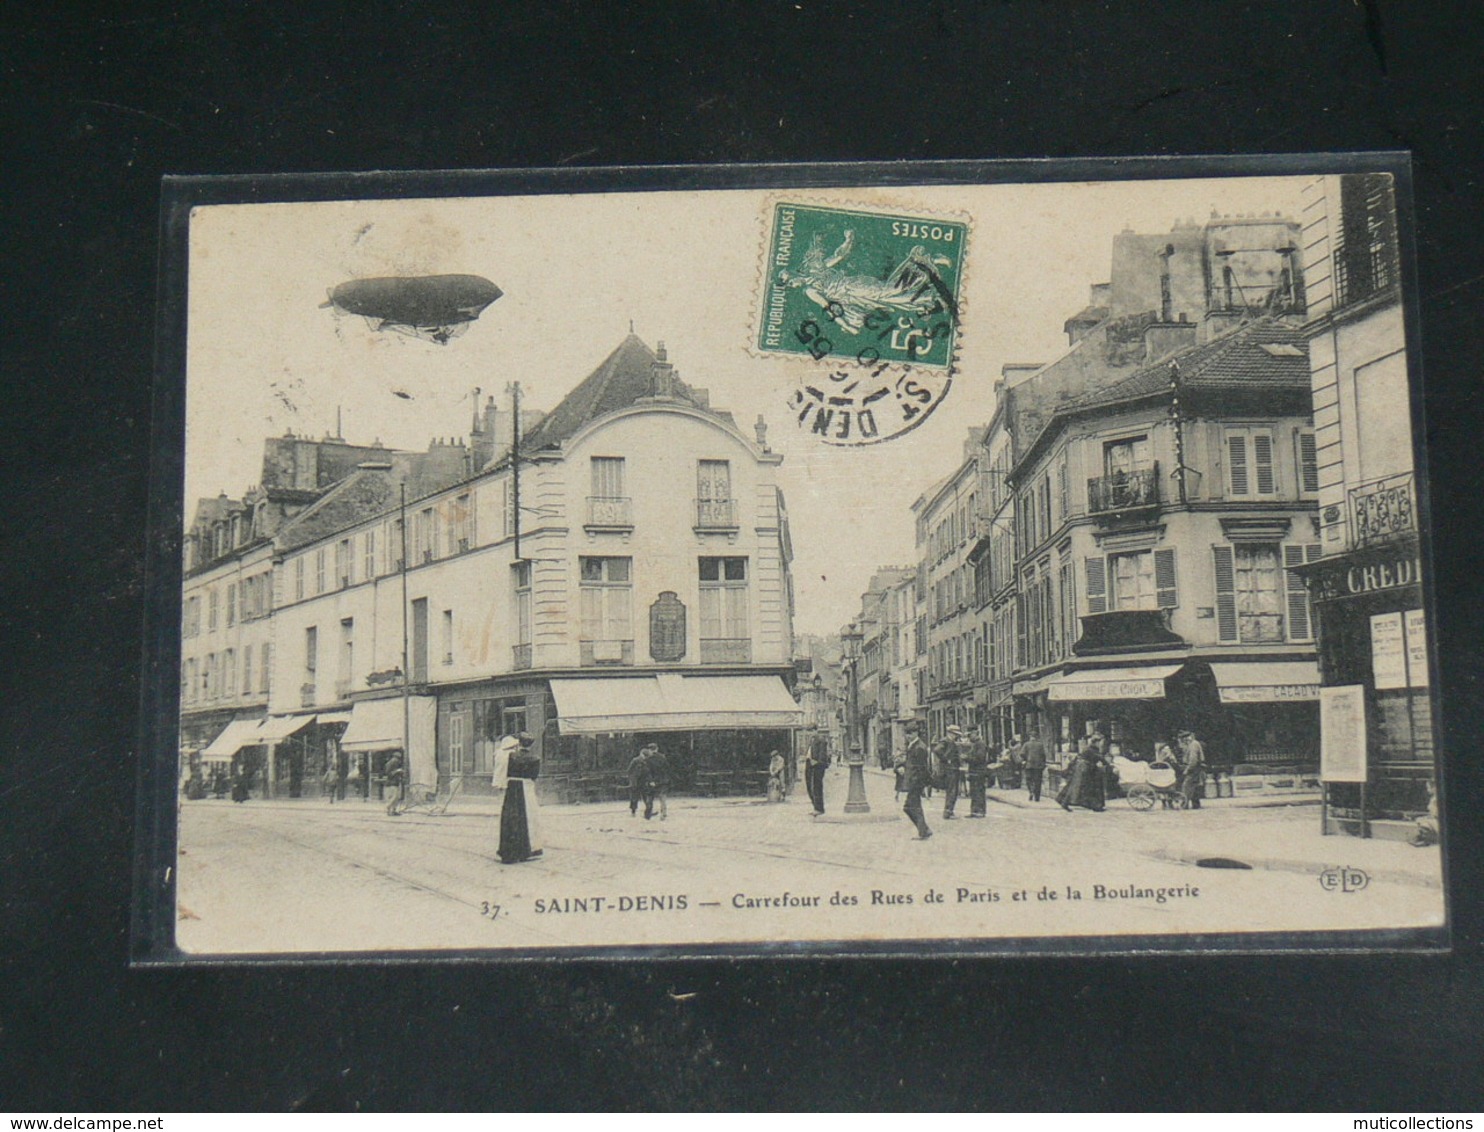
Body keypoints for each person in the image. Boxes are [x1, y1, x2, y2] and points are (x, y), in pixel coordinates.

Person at [498, 732, 543, 864]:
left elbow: (507, 772)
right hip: (527, 787)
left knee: (511, 818)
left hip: (512, 788)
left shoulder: (511, 756)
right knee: (528, 817)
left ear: (519, 743)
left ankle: (509, 851)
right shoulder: (535, 759)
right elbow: (534, 776)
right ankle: (527, 849)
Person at [1058, 734, 1107, 812]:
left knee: (1077, 787)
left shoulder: (1090, 748)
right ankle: (1095, 806)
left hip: (1084, 769)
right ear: (1096, 742)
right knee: (1081, 788)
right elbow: (1098, 757)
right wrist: (1107, 764)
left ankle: (1064, 802)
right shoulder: (1090, 749)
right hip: (1083, 770)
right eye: (1100, 742)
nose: (1101, 744)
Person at [901, 721, 933, 840]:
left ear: (916, 733)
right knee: (912, 806)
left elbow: (921, 768)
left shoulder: (919, 747)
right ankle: (924, 830)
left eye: (910, 733)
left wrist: (916, 783)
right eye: (906, 734)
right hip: (914, 781)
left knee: (910, 807)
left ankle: (924, 830)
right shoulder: (914, 746)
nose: (908, 736)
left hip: (916, 782)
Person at [962, 729, 989, 818]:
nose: (969, 738)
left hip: (979, 771)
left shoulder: (980, 744)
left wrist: (967, 758)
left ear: (975, 734)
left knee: (978, 792)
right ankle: (974, 811)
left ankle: (980, 811)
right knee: (974, 792)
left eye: (970, 735)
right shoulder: (975, 744)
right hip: (974, 771)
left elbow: (979, 758)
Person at [938, 726, 963, 819]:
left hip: (952, 769)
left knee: (953, 791)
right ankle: (948, 812)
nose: (956, 736)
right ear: (950, 733)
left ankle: (949, 811)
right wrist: (946, 759)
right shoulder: (946, 741)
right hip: (950, 770)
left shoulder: (950, 742)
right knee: (952, 791)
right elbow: (937, 750)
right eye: (955, 734)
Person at [804, 727, 830, 816]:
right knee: (810, 786)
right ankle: (815, 807)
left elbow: (823, 753)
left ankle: (819, 808)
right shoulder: (812, 740)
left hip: (817, 765)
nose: (810, 733)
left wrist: (818, 762)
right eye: (809, 731)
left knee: (816, 787)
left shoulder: (821, 740)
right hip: (810, 763)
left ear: (815, 730)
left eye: (811, 731)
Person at [1178, 729, 1206, 810]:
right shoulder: (1192, 744)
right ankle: (1196, 804)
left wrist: (1188, 769)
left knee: (1186, 786)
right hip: (1195, 768)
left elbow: (1193, 760)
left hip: (1194, 768)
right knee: (1194, 786)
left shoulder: (1193, 745)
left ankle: (1184, 804)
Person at [1020, 731, 1046, 803]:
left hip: (1029, 765)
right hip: (1038, 766)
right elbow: (1043, 755)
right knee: (1038, 781)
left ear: (1030, 737)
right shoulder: (1040, 745)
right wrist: (1043, 764)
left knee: (1029, 780)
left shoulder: (1026, 744)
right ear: (1036, 737)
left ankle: (1031, 791)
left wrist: (1025, 759)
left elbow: (1022, 754)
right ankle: (1037, 797)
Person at [646, 743, 670, 821]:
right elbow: (667, 769)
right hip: (663, 780)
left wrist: (651, 781)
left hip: (653, 781)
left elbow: (648, 772)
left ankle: (648, 813)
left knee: (650, 797)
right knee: (662, 797)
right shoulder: (663, 757)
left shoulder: (648, 759)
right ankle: (663, 813)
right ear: (657, 749)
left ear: (650, 750)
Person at [627, 746, 652, 818]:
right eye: (644, 756)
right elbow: (629, 770)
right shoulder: (635, 760)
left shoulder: (647, 761)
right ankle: (633, 811)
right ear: (641, 754)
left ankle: (648, 811)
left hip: (643, 781)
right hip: (636, 782)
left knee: (645, 797)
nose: (644, 757)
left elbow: (648, 772)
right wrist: (632, 780)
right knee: (635, 797)